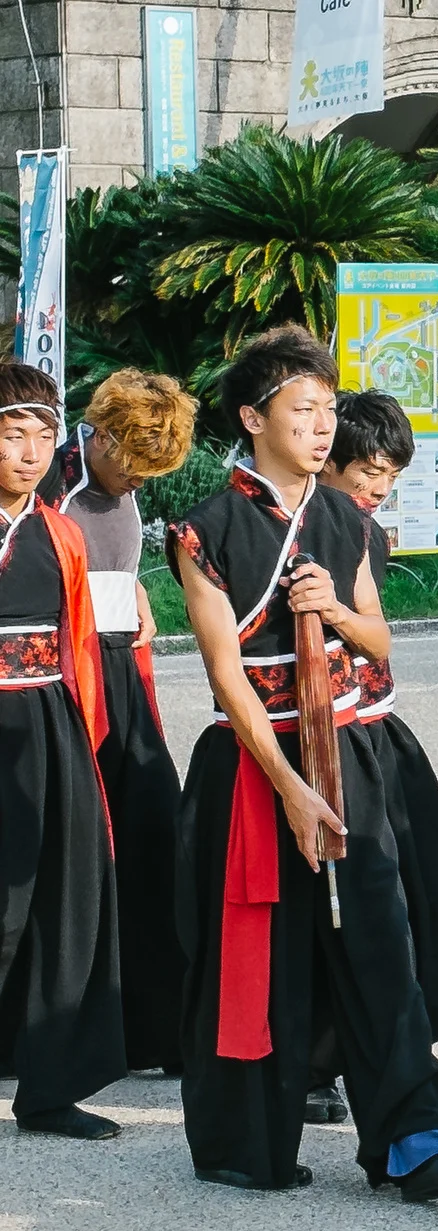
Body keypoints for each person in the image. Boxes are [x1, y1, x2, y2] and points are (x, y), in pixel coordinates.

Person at [169, 326, 438, 1201]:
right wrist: (290, 789)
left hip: (352, 748)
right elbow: (225, 679)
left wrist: (335, 611)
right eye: (302, 410)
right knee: (261, 956)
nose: (323, 428)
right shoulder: (203, 531)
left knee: (383, 945)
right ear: (253, 417)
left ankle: (412, 1143)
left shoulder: (345, 516)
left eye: (327, 410)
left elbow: (380, 636)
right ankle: (248, 1139)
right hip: (256, 764)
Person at [308, 390, 438, 1121]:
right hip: (323, 736)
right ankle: (318, 1067)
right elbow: (366, 635)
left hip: (380, 726)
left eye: (391, 475)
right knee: (341, 913)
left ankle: (413, 1055)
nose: (378, 488)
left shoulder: (366, 531)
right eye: (368, 471)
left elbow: (376, 642)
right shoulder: (305, 531)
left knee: (432, 896)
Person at [38, 368, 193, 1079]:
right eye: (131, 466)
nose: (138, 483)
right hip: (70, 674)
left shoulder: (118, 483)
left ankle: (156, 1027)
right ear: (96, 435)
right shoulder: (49, 481)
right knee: (83, 851)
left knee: (156, 834)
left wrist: (130, 593)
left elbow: (111, 565)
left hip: (122, 667)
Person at [0, 366, 125, 1141]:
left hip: (49, 721)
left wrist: (85, 741)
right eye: (14, 435)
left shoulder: (60, 531)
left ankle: (50, 1088)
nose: (31, 452)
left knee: (62, 903)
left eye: (45, 438)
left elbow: (79, 643)